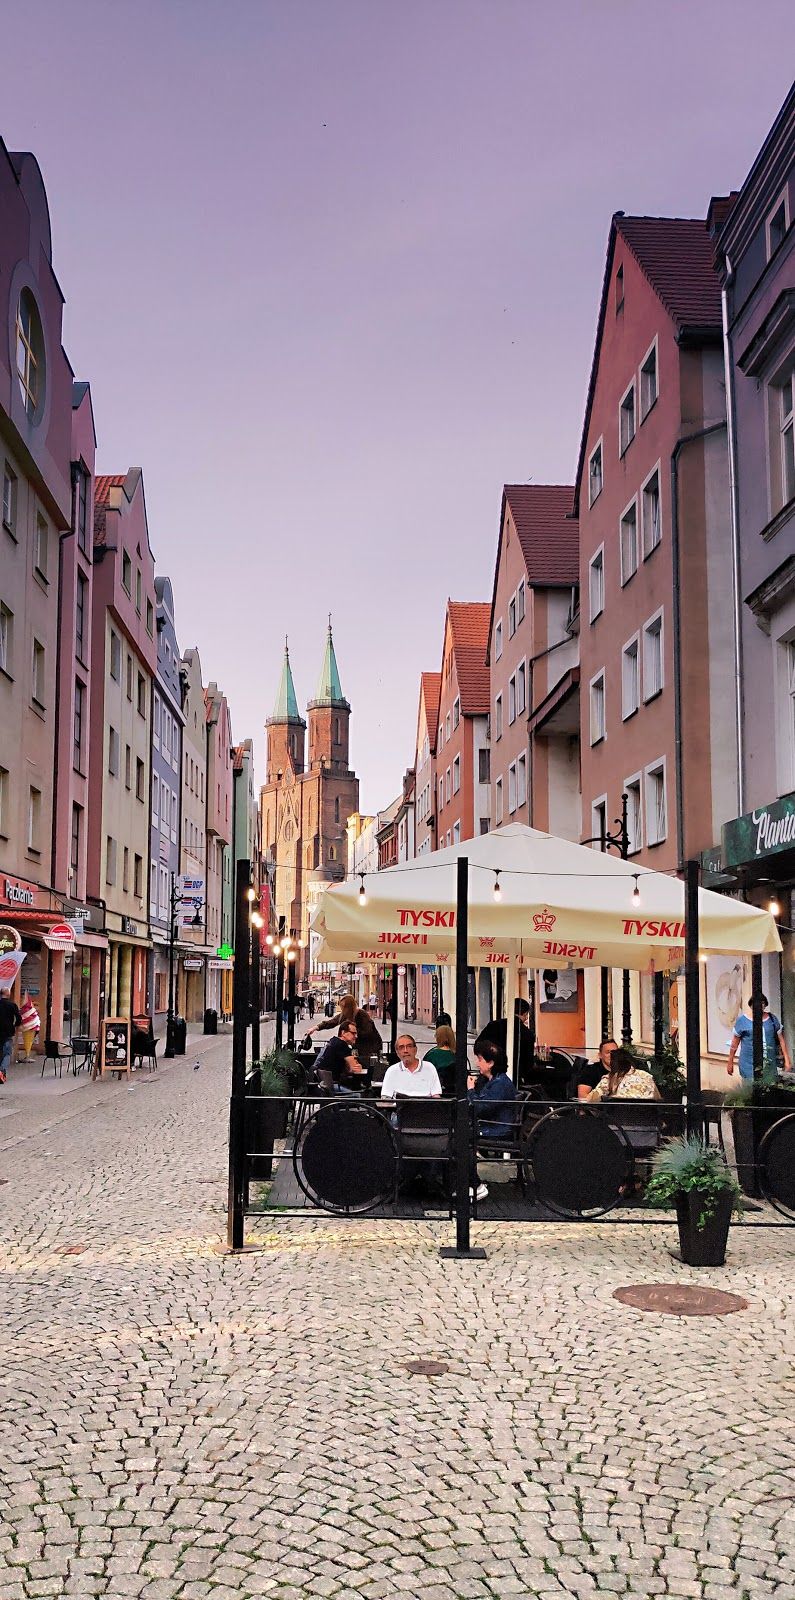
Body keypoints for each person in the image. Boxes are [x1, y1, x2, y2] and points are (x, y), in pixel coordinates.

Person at [727, 995, 791, 1082]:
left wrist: (787, 1061)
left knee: (769, 1091)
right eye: (756, 1003)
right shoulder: (742, 1021)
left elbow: (781, 1041)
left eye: (762, 1003)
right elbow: (734, 1044)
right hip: (748, 1066)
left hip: (770, 1066)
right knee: (751, 1092)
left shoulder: (772, 1019)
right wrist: (730, 1062)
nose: (760, 1005)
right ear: (751, 1005)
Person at [475, 999, 534, 1080]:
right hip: (515, 1078)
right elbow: (529, 1063)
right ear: (525, 1014)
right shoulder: (528, 1034)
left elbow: (477, 1045)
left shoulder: (493, 1025)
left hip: (489, 1075)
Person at [380, 1035, 442, 1099]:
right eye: (401, 1047)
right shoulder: (392, 1070)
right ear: (397, 1052)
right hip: (399, 1108)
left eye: (409, 1046)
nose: (405, 1051)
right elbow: (386, 1097)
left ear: (415, 1049)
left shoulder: (430, 1068)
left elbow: (436, 1095)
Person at [587, 1047, 660, 1101]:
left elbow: (591, 1100)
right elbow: (657, 1099)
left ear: (613, 1064)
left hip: (617, 1119)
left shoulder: (609, 1079)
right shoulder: (646, 1076)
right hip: (647, 1119)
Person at [317, 1020, 366, 1092]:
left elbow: (349, 1069)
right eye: (353, 1033)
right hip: (333, 1086)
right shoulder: (341, 1045)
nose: (356, 1036)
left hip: (324, 1085)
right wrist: (357, 1066)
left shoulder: (333, 1041)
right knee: (358, 1096)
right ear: (343, 1033)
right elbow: (355, 1068)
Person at [423, 1024, 457, 1094]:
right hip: (455, 1091)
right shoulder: (458, 1054)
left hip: (436, 1091)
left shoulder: (432, 1054)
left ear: (438, 1037)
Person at [0, 987, 22, 1084]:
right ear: (8, 994)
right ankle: (1, 1071)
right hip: (8, 1032)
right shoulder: (12, 1005)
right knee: (7, 1053)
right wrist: (15, 1025)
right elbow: (19, 1018)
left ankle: (2, 1074)